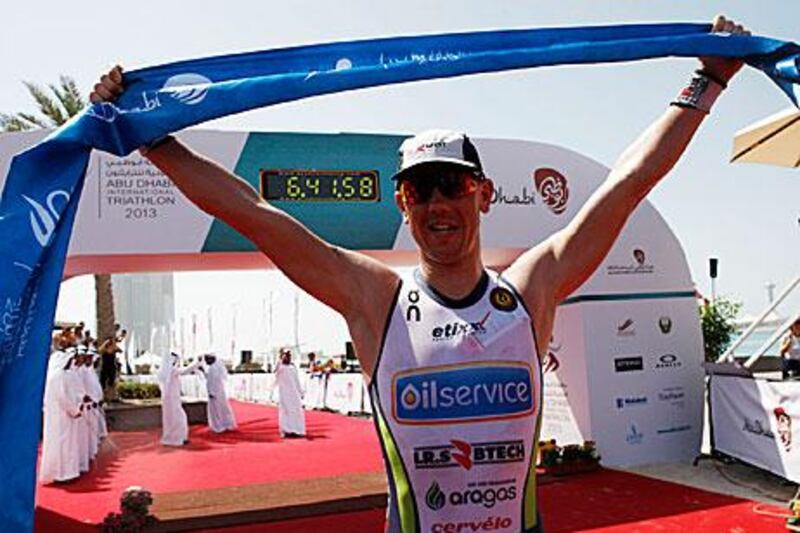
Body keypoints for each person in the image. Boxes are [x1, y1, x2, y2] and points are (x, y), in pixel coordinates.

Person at [92, 15, 747, 531]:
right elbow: (251, 211)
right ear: (402, 205)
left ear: (483, 193)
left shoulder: (531, 288)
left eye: (452, 185)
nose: (438, 203)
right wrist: (151, 136)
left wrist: (708, 81)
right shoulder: (372, 295)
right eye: (420, 190)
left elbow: (627, 185)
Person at [39, 330, 83, 484]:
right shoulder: (57, 375)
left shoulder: (65, 374)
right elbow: (61, 396)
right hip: (61, 415)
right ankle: (60, 474)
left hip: (67, 414)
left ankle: (69, 472)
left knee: (68, 444)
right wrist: (74, 409)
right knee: (61, 444)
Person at [157, 352, 201, 446]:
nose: (175, 362)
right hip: (172, 400)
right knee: (179, 418)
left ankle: (174, 438)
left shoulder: (163, 371)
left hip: (168, 400)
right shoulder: (171, 371)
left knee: (171, 420)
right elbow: (185, 370)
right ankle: (178, 438)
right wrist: (197, 362)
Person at [274, 349, 306, 438]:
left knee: (296, 411)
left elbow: (297, 381)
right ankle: (286, 430)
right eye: (285, 355)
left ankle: (297, 430)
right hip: (284, 394)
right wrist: (280, 358)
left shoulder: (293, 367)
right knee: (285, 412)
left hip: (294, 394)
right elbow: (275, 373)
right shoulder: (280, 367)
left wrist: (301, 392)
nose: (287, 357)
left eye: (288, 355)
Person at [202, 353, 237, 433]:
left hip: (214, 392)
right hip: (219, 392)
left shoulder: (212, 368)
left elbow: (212, 382)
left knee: (216, 410)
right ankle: (224, 424)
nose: (206, 361)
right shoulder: (215, 368)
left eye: (207, 359)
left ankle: (218, 426)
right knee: (221, 408)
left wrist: (211, 392)